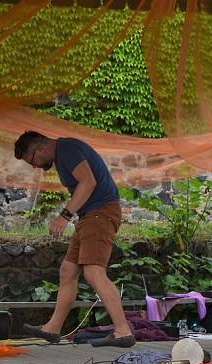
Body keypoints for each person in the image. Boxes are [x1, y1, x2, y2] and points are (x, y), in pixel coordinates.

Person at [14, 131, 135, 348]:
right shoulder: (63, 153)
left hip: (100, 212)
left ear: (39, 149)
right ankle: (53, 328)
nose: (34, 166)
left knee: (94, 271)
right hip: (89, 215)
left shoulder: (67, 149)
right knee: (68, 271)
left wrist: (64, 215)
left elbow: (88, 182)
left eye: (32, 160)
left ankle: (122, 331)